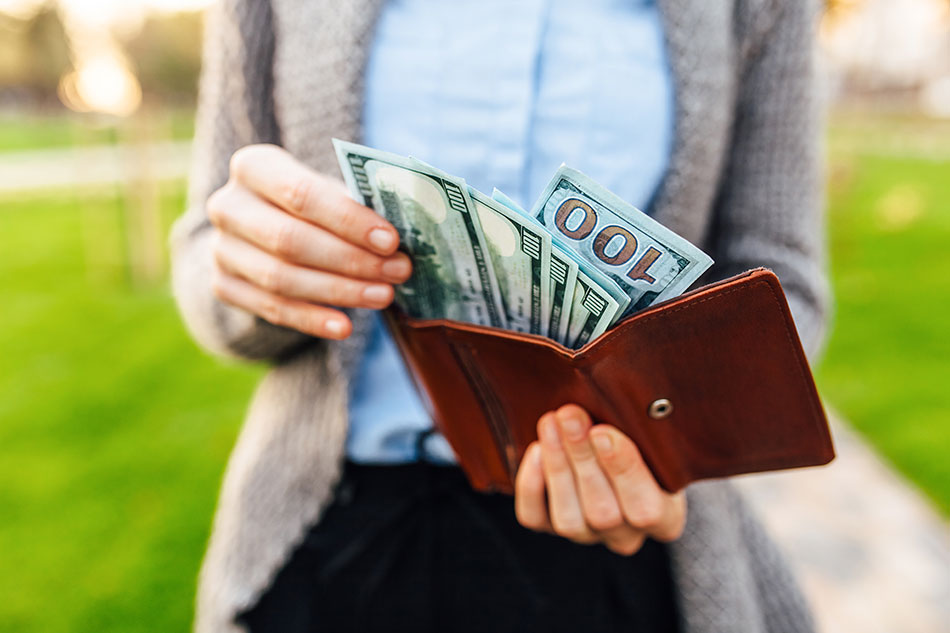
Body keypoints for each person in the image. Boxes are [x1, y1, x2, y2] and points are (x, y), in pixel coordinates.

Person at [171, 0, 830, 631]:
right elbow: (208, 242)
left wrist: (673, 435)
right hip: (331, 528)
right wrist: (259, 277)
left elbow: (783, 280)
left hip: (620, 548)